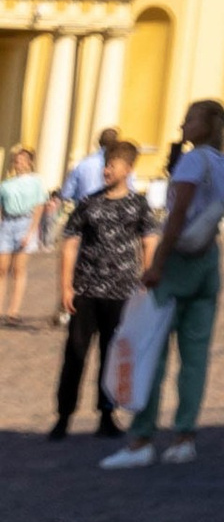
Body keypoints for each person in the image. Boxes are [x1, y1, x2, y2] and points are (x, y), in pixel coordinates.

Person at [102, 97, 224, 470]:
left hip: (178, 260)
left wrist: (157, 262)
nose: (182, 126)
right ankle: (184, 437)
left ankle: (142, 438)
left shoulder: (193, 160)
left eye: (190, 119)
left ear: (206, 126)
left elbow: (177, 215)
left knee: (153, 348)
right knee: (195, 356)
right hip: (209, 260)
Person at [51, 133, 149, 438]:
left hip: (121, 292)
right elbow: (69, 244)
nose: (107, 171)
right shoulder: (88, 203)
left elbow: (149, 242)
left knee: (113, 355)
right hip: (87, 290)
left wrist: (145, 281)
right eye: (106, 165)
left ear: (128, 169)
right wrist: (66, 287)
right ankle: (64, 416)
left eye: (114, 166)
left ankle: (107, 414)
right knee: (76, 353)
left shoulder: (138, 205)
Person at [0, 140, 43, 324]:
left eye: (23, 160)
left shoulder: (36, 182)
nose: (19, 163)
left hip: (25, 223)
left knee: (18, 269)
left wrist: (31, 232)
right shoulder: (6, 184)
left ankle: (13, 311)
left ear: (30, 162)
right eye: (17, 160)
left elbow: (39, 207)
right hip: (7, 224)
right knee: (2, 269)